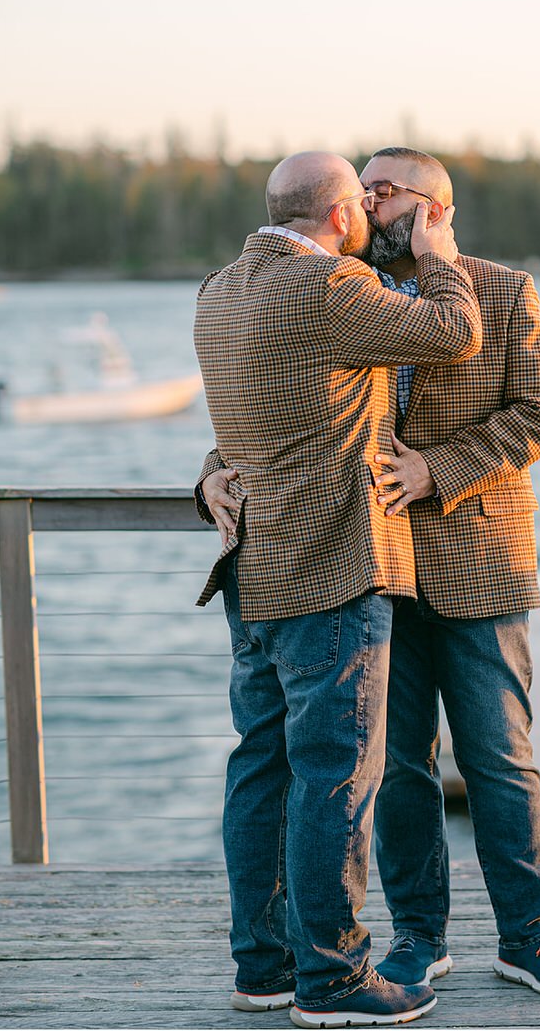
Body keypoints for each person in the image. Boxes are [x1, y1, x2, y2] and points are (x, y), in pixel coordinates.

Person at [193, 150, 482, 1029]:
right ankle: (331, 980)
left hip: (254, 570)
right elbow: (453, 333)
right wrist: (434, 252)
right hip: (331, 569)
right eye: (363, 200)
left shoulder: (217, 289)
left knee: (260, 770)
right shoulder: (327, 290)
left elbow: (258, 412)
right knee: (334, 780)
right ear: (339, 212)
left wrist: (210, 473)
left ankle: (265, 968)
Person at [356, 146, 540, 1002]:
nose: (364, 202)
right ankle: (417, 938)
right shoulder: (337, 290)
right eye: (360, 187)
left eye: (381, 192)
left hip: (481, 560)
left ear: (432, 209)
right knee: (401, 767)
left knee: (501, 758)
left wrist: (438, 469)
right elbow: (267, 400)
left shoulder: (503, 290)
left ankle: (528, 939)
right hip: (374, 566)